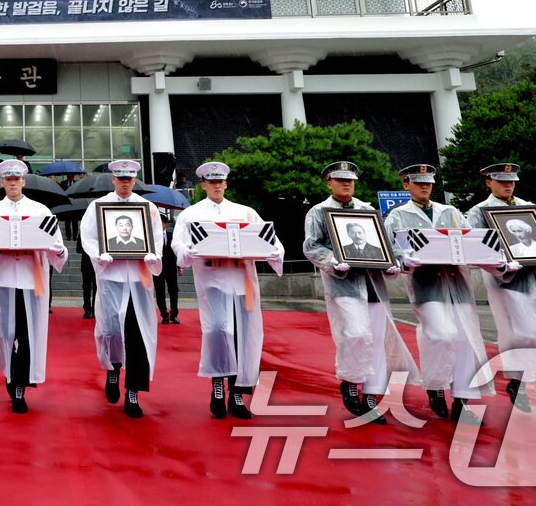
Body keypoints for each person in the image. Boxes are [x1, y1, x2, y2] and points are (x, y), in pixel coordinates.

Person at [302, 161, 419, 424]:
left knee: (377, 339)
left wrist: (394, 263)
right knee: (355, 333)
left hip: (373, 284)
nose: (347, 184)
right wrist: (332, 261)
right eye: (341, 180)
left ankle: (371, 395)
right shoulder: (319, 211)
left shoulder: (367, 211)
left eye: (351, 180)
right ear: (328, 182)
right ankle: (351, 381)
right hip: (342, 283)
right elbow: (311, 246)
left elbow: (388, 245)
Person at [465, 163, 536, 421]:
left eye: (512, 181)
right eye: (502, 181)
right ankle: (518, 380)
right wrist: (500, 263)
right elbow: (478, 247)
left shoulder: (531, 208)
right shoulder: (479, 211)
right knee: (523, 334)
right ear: (488, 183)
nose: (508, 185)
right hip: (508, 281)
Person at [173, 162, 283, 419]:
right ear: (203, 185)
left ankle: (236, 393)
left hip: (242, 280)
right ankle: (217, 385)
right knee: (219, 331)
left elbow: (270, 241)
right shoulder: (192, 214)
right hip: (213, 279)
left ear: (226, 184)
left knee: (244, 336)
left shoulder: (245, 212)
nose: (216, 186)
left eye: (220, 182)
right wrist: (185, 251)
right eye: (211, 182)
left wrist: (275, 252)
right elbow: (178, 243)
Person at [384, 164, 492, 422]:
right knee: (442, 334)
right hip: (426, 285)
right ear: (406, 185)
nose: (425, 187)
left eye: (429, 183)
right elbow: (389, 249)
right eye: (419, 183)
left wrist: (490, 256)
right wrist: (403, 260)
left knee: (466, 340)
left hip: (457, 283)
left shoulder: (451, 212)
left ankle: (463, 399)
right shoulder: (397, 217)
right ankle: (434, 385)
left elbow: (469, 239)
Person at [0, 159, 67, 413]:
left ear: (23, 181)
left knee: (26, 335)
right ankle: (8, 372)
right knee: (4, 334)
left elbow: (57, 248)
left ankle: (20, 386)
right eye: (8, 178)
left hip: (29, 279)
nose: (13, 182)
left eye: (17, 178)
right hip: (2, 279)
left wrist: (58, 250)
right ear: (2, 182)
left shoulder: (41, 211)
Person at [80, 159, 164, 418]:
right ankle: (114, 368)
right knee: (111, 330)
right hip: (112, 278)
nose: (125, 182)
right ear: (113, 179)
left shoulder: (147, 208)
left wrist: (152, 254)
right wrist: (99, 254)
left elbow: (157, 237)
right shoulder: (98, 206)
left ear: (134, 180)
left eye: (129, 178)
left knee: (137, 334)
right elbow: (89, 236)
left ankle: (133, 392)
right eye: (121, 178)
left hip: (138, 280)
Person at [155, 214, 181, 325]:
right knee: (160, 292)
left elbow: (177, 252)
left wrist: (180, 266)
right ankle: (164, 315)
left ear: (165, 224)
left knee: (173, 291)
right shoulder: (153, 238)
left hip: (171, 267)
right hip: (158, 268)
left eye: (160, 223)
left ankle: (174, 315)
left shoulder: (172, 236)